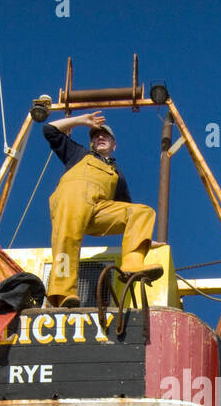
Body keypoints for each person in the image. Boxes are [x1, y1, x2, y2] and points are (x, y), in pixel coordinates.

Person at [42, 111, 161, 308]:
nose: (100, 137)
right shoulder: (78, 154)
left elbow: (127, 212)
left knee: (142, 212)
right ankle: (62, 294)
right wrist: (82, 121)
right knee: (66, 242)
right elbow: (49, 129)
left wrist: (145, 238)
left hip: (98, 210)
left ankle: (132, 263)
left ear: (114, 145)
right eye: (96, 135)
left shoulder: (117, 176)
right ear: (92, 144)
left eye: (105, 135)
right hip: (71, 203)